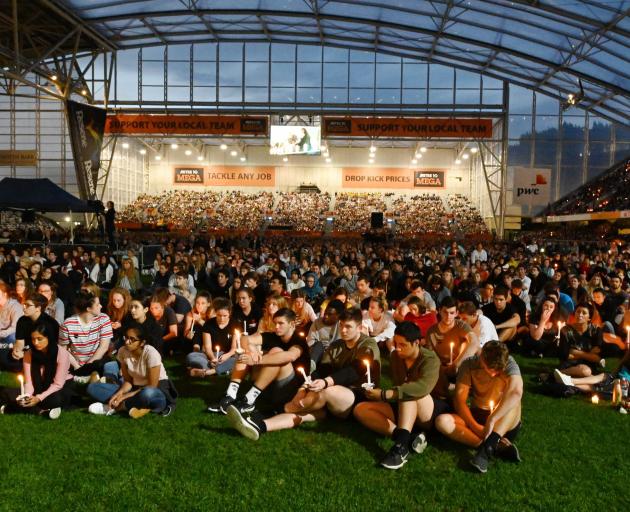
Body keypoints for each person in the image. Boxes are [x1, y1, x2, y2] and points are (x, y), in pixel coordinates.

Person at [226, 307, 379, 441]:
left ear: (359, 328)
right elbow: (321, 370)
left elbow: (355, 370)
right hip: (329, 398)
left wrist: (325, 382)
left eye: (348, 327)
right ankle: (259, 426)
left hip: (356, 397)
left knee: (321, 393)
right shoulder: (336, 346)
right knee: (305, 414)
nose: (343, 330)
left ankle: (279, 409)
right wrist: (303, 389)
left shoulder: (368, 344)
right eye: (341, 326)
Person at [354, 322, 441, 469]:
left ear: (416, 343)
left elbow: (421, 388)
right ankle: (407, 436)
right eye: (395, 343)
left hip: (427, 407)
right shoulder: (395, 356)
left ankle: (400, 448)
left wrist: (384, 394)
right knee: (360, 409)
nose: (398, 348)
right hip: (403, 404)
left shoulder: (430, 359)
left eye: (403, 344)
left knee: (408, 393)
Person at [435, 341, 523, 473]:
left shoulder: (510, 363)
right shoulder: (469, 365)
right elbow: (460, 401)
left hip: (504, 420)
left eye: (498, 371)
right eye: (490, 370)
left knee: (515, 400)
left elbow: (516, 392)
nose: (493, 374)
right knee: (442, 422)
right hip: (478, 415)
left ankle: (488, 447)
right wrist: (476, 428)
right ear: (481, 358)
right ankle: (493, 446)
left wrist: (492, 419)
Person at [210, 308, 310, 415]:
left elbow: (290, 356)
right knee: (245, 352)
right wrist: (251, 351)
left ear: (292, 324)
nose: (276, 327)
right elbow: (244, 339)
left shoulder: (298, 339)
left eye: (281, 323)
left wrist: (257, 361)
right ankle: (230, 394)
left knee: (277, 352)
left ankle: (249, 400)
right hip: (268, 386)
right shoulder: (274, 336)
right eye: (275, 323)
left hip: (290, 390)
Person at [87, 324, 177, 418]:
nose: (127, 342)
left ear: (142, 343)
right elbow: (128, 381)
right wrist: (119, 394)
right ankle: (137, 407)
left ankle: (119, 407)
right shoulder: (122, 351)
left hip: (156, 391)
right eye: (126, 337)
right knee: (92, 387)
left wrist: (125, 396)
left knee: (147, 393)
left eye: (132, 339)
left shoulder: (151, 353)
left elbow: (152, 385)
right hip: (134, 389)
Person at [0, 322, 74, 419]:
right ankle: (41, 411)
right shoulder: (29, 354)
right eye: (33, 339)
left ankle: (11, 408)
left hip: (59, 388)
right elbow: (29, 382)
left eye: (39, 339)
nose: (35, 343)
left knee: (53, 400)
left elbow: (58, 384)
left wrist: (38, 398)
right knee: (6, 393)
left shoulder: (62, 354)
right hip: (37, 386)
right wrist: (27, 395)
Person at [425, 297, 480, 398]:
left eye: (452, 313)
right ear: (439, 311)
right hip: (441, 367)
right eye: (445, 312)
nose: (448, 316)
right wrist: (443, 368)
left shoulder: (461, 326)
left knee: (477, 353)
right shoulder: (432, 331)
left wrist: (456, 364)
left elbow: (475, 343)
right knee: (431, 367)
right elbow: (430, 356)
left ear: (456, 313)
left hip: (460, 364)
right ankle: (447, 391)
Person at [59, 291, 113, 380]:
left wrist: (88, 366)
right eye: (97, 304)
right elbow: (63, 349)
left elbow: (104, 347)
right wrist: (77, 366)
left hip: (96, 362)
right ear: (88, 309)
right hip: (75, 364)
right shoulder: (68, 323)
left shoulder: (104, 319)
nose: (101, 306)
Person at [0, 293, 58, 372]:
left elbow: (49, 349)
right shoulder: (22, 320)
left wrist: (25, 355)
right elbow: (20, 341)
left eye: (27, 305)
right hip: (28, 350)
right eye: (24, 304)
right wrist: (17, 350)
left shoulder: (50, 323)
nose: (23, 307)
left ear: (38, 308)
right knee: (6, 355)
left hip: (43, 353)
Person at [186, 297, 237, 378]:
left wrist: (226, 355)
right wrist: (213, 359)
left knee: (238, 359)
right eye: (219, 315)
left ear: (229, 313)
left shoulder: (235, 324)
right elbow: (208, 348)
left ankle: (208, 372)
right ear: (216, 312)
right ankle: (224, 369)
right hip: (211, 356)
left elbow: (234, 348)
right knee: (191, 356)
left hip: (228, 355)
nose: (222, 318)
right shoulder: (208, 324)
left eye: (225, 316)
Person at [557, 302, 604, 377]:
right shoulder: (566, 330)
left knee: (587, 373)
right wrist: (589, 355)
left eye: (584, 313)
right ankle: (560, 373)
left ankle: (559, 375)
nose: (580, 315)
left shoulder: (596, 331)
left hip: (589, 364)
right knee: (586, 372)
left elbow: (597, 355)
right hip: (570, 364)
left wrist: (574, 352)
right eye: (578, 312)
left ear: (589, 318)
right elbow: (564, 355)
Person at [306, 299, 344, 367]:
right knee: (318, 345)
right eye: (325, 312)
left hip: (333, 355)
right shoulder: (317, 322)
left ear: (338, 316)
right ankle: (311, 366)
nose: (326, 316)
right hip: (317, 354)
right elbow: (311, 341)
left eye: (330, 314)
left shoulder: (342, 326)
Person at [0, 281, 23, 347]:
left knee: (12, 337)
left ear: (5, 294)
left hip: (9, 336)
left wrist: (1, 334)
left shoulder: (15, 306)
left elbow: (15, 328)